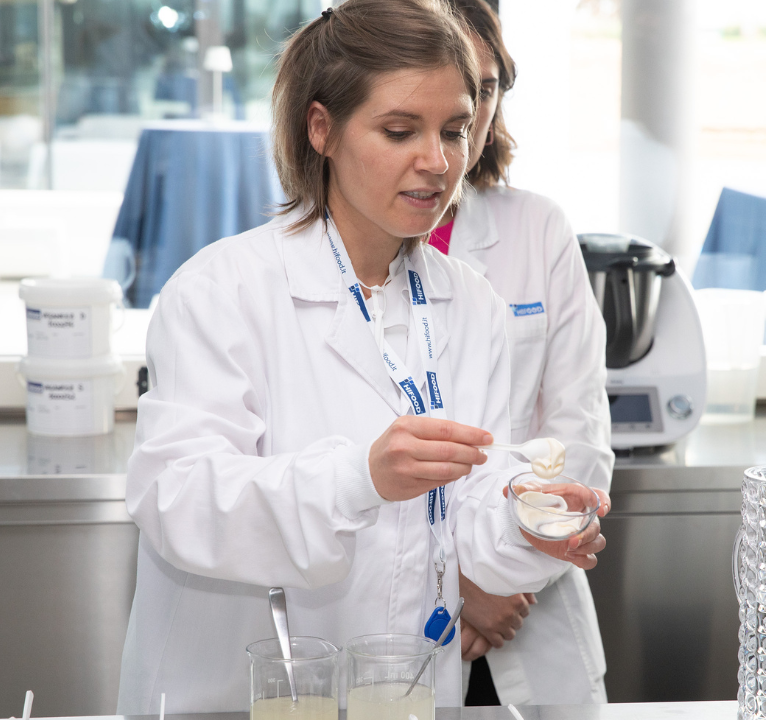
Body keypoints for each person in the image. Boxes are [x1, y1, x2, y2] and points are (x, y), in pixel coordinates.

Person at [115, 0, 610, 712]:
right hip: (238, 694)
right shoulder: (222, 291)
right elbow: (178, 500)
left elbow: (469, 516)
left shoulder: (472, 306)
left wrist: (530, 524)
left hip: (403, 692)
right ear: (322, 129)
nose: (437, 163)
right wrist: (357, 478)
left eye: (455, 130)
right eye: (399, 130)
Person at [432, 0, 613, 706]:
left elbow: (581, 436)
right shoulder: (330, 257)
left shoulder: (536, 227)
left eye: (485, 87)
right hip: (393, 626)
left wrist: (503, 576)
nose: (469, 111)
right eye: (451, 83)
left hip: (529, 617)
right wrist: (457, 585)